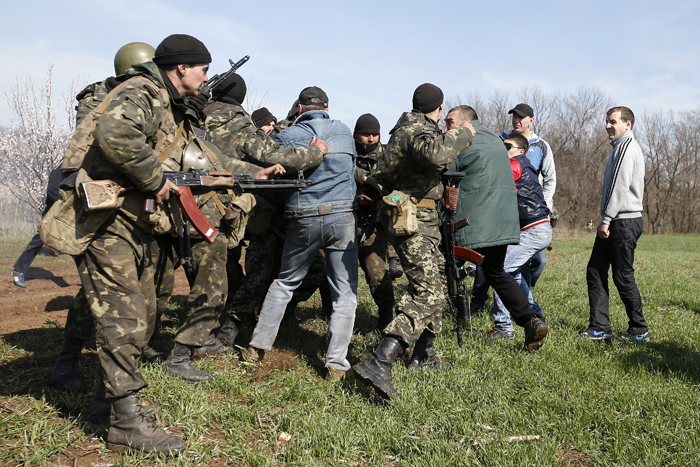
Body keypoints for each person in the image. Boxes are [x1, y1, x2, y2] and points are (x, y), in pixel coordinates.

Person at [67, 33, 212, 455]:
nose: (206, 77)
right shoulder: (143, 90)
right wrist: (155, 177)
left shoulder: (168, 104)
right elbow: (114, 133)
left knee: (142, 314)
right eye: (203, 68)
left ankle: (103, 403)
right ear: (181, 67)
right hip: (107, 221)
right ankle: (127, 423)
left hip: (134, 223)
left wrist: (257, 175)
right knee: (124, 319)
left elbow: (199, 160)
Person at [352, 84, 475, 399]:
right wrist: (464, 132)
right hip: (413, 222)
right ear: (437, 108)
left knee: (436, 284)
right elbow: (436, 154)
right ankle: (381, 359)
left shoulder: (402, 133)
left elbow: (380, 176)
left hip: (422, 220)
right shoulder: (414, 130)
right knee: (429, 294)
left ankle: (423, 354)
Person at [202, 77, 331, 347]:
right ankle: (229, 328)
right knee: (250, 275)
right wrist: (315, 152)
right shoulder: (251, 126)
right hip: (256, 212)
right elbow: (274, 157)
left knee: (227, 270)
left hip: (236, 210)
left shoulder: (198, 116)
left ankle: (268, 315)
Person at [246, 86, 358, 381]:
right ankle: (336, 364)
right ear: (327, 108)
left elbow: (269, 164)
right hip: (342, 217)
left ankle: (258, 346)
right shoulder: (345, 132)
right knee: (344, 294)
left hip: (302, 217)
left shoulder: (287, 135)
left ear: (299, 109)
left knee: (284, 282)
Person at [444, 105, 548, 351]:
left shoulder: (461, 140)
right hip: (506, 221)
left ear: (464, 121)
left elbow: (448, 177)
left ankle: (427, 328)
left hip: (476, 221)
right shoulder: (495, 139)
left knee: (444, 262)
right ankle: (530, 319)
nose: (446, 127)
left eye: (449, 122)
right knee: (496, 272)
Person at [471, 102, 555, 314]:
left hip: (533, 221)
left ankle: (507, 321)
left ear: (531, 120)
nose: (517, 120)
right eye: (514, 116)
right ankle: (527, 311)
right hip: (515, 217)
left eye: (521, 117)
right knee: (506, 267)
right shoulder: (503, 140)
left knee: (505, 270)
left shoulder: (530, 153)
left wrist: (543, 207)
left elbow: (548, 180)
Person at [581, 106, 648, 342]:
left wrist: (606, 220)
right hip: (618, 220)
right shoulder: (619, 148)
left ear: (627, 124)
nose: (608, 125)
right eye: (607, 121)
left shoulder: (627, 148)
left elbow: (620, 187)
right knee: (595, 270)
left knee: (622, 276)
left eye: (613, 121)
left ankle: (639, 330)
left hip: (623, 221)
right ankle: (600, 327)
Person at [487, 132, 552, 339]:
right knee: (513, 275)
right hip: (535, 229)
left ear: (521, 151)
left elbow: (492, 177)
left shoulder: (515, 164)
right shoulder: (524, 165)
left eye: (508, 146)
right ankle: (534, 315)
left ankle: (504, 327)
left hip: (533, 229)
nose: (503, 149)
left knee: (499, 272)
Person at [353, 113, 400, 333]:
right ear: (356, 135)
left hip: (376, 224)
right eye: (365, 135)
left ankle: (385, 320)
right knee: (322, 268)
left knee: (377, 274)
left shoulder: (389, 156)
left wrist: (380, 201)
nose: (370, 139)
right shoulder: (346, 154)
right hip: (345, 220)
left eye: (374, 134)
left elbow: (400, 194)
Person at [11, 166, 63, 288]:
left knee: (78, 243)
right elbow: (52, 190)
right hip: (54, 211)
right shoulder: (60, 169)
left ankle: (90, 278)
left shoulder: (79, 170)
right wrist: (64, 205)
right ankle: (19, 270)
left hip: (70, 213)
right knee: (40, 239)